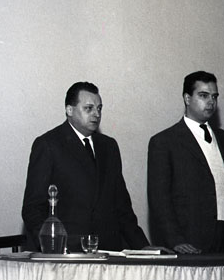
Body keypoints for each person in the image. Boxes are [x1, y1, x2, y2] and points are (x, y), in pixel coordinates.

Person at [147, 70, 224, 254]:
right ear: (187, 98)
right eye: (203, 95)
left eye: (214, 96)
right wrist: (175, 240)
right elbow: (159, 199)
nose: (211, 102)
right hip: (190, 241)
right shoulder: (164, 141)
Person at [22, 81, 148, 252]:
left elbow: (122, 207)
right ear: (69, 110)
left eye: (99, 108)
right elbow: (32, 209)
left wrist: (144, 247)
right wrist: (53, 246)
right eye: (88, 108)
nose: (96, 114)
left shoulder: (109, 146)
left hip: (108, 251)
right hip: (67, 253)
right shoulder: (48, 144)